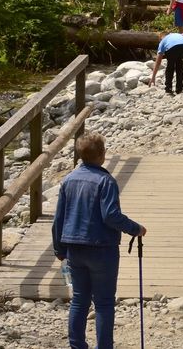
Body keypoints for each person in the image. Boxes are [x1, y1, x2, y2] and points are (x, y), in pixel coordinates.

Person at [52, 131, 145, 349]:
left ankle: (77, 345)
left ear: (80, 155)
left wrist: (59, 248)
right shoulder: (105, 181)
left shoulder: (68, 180)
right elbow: (110, 215)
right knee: (103, 303)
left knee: (79, 299)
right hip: (102, 248)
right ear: (102, 155)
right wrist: (135, 228)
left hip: (74, 247)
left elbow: (59, 219)